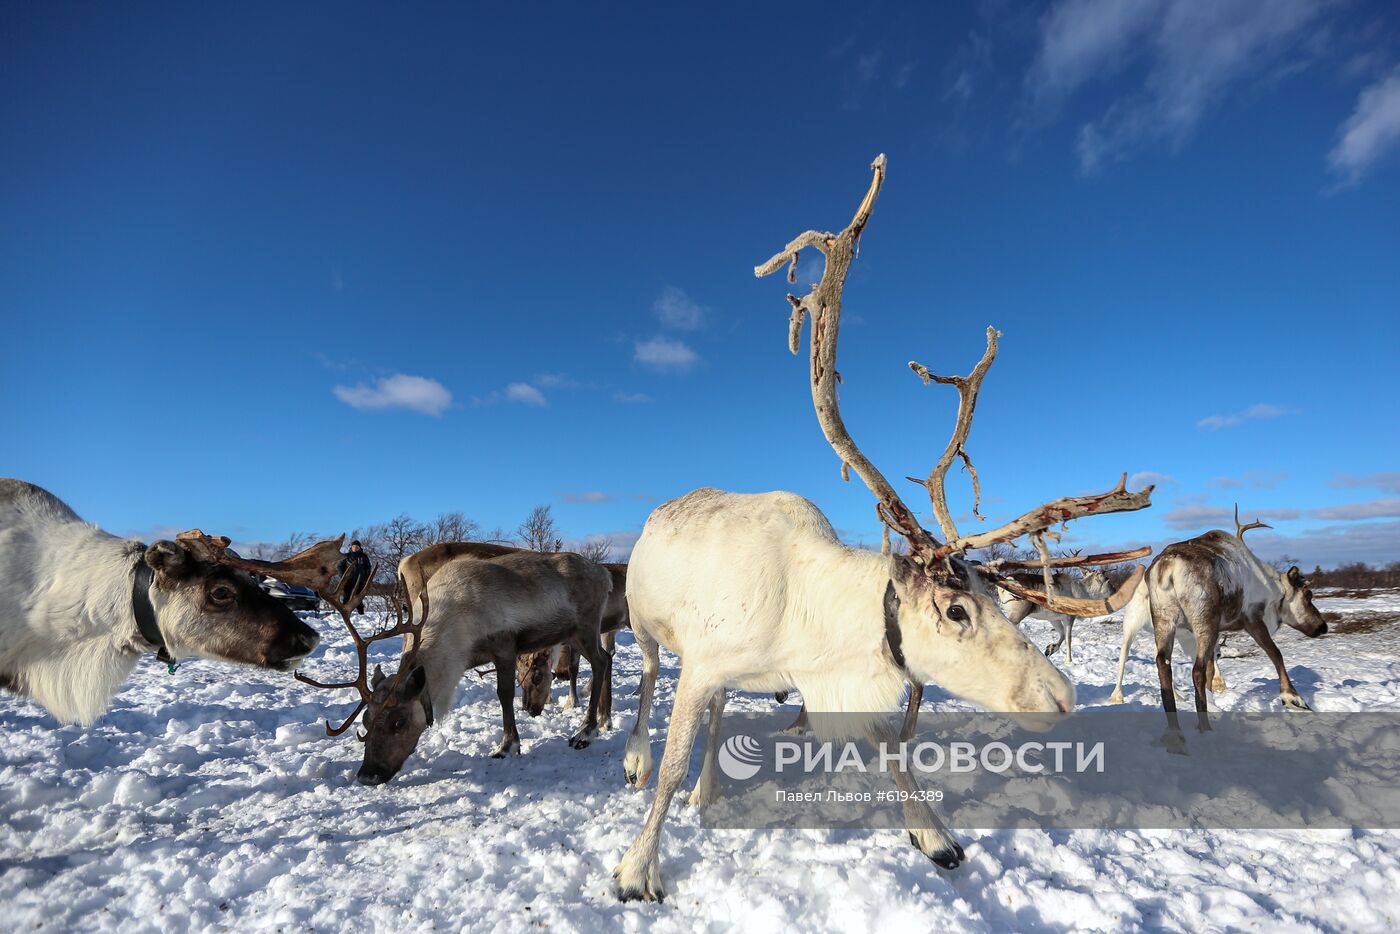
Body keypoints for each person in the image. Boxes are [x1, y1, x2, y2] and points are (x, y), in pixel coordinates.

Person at [337, 540, 372, 614]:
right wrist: (343, 577)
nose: (355, 548)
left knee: (358, 598)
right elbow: (339, 567)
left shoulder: (364, 557)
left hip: (359, 581)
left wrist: (366, 579)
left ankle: (361, 614)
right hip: (348, 581)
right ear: (351, 547)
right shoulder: (346, 556)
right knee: (346, 597)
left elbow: (368, 568)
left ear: (359, 548)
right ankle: (344, 613)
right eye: (353, 547)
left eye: (356, 547)